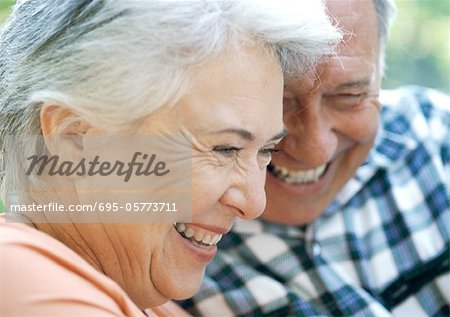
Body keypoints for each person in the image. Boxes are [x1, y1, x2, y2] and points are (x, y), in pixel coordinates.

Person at [0, 1, 342, 316]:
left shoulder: (136, 298)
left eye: (266, 151)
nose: (255, 203)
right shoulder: (16, 273)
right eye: (224, 149)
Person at [182, 0, 450, 316]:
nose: (315, 150)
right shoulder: (164, 238)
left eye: (349, 97)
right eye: (278, 101)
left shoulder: (437, 142)